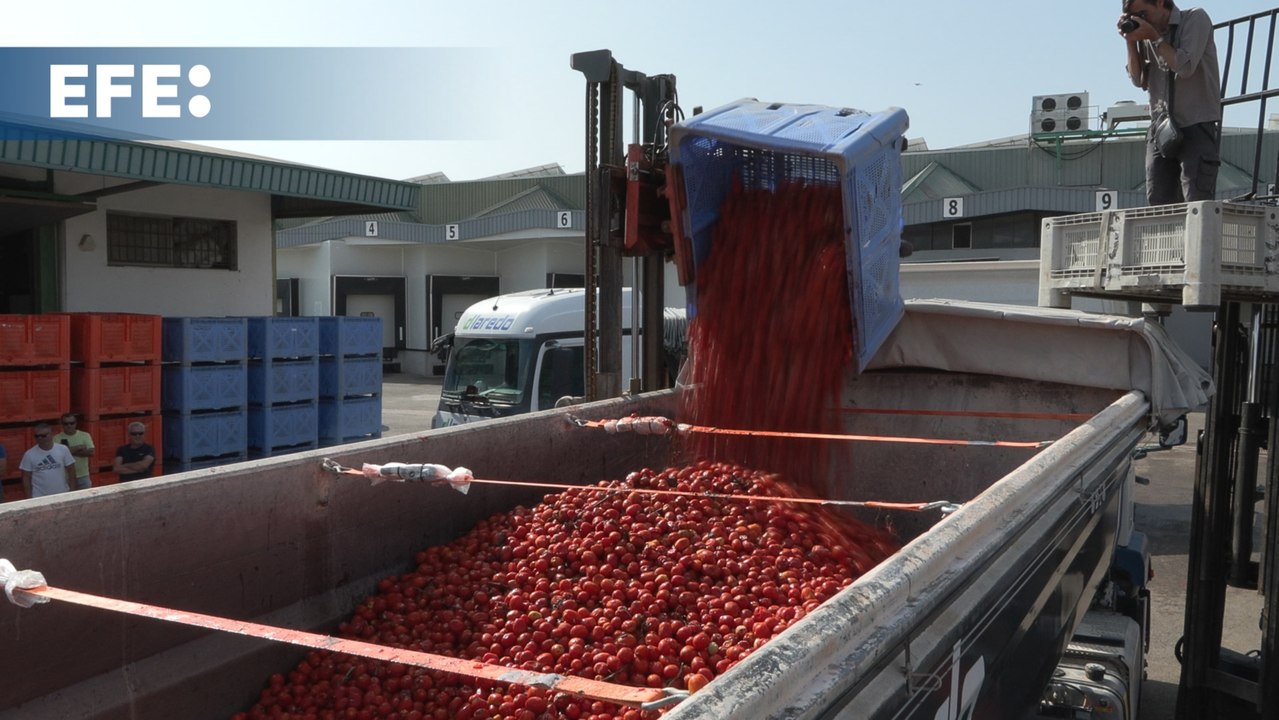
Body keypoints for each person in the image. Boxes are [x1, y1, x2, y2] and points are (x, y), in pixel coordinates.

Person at [1119, 0, 1222, 205]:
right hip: (1160, 129)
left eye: (1142, 13)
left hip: (1196, 123)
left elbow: (1184, 67)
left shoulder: (1195, 18)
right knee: (1158, 201)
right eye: (1134, 16)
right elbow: (1137, 78)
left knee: (1196, 201)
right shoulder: (1146, 33)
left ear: (1159, 2)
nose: (1140, 20)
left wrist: (1156, 38)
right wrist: (1130, 41)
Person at [19, 422, 77, 499]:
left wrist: (72, 492)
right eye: (37, 436)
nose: (40, 438)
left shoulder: (63, 450)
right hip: (40, 497)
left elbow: (72, 471)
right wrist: (29, 498)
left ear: (51, 434)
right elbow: (26, 478)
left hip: (62, 494)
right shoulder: (29, 454)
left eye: (43, 435)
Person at [53, 412, 96, 490]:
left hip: (83, 476)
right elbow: (58, 456)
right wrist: (79, 447)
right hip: (65, 477)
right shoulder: (56, 438)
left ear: (76, 423)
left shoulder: (85, 435)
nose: (69, 426)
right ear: (62, 424)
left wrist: (68, 451)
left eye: (71, 423)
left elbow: (91, 452)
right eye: (66, 424)